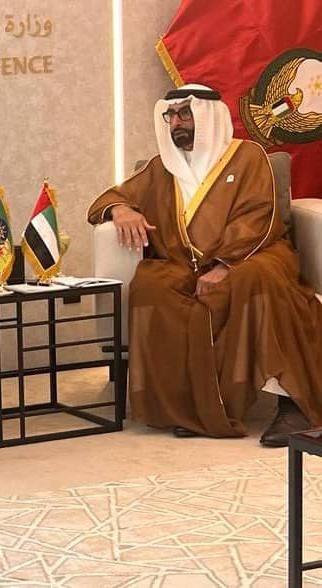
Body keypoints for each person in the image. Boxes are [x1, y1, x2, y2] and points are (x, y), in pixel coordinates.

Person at [87, 83, 322, 445]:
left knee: (256, 281)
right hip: (186, 263)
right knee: (152, 285)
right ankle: (192, 407)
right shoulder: (161, 168)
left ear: (208, 116)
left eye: (185, 114)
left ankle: (293, 407)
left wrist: (224, 265)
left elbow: (257, 217)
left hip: (252, 255)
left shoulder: (249, 156)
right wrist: (120, 209)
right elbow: (107, 198)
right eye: (171, 116)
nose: (176, 123)